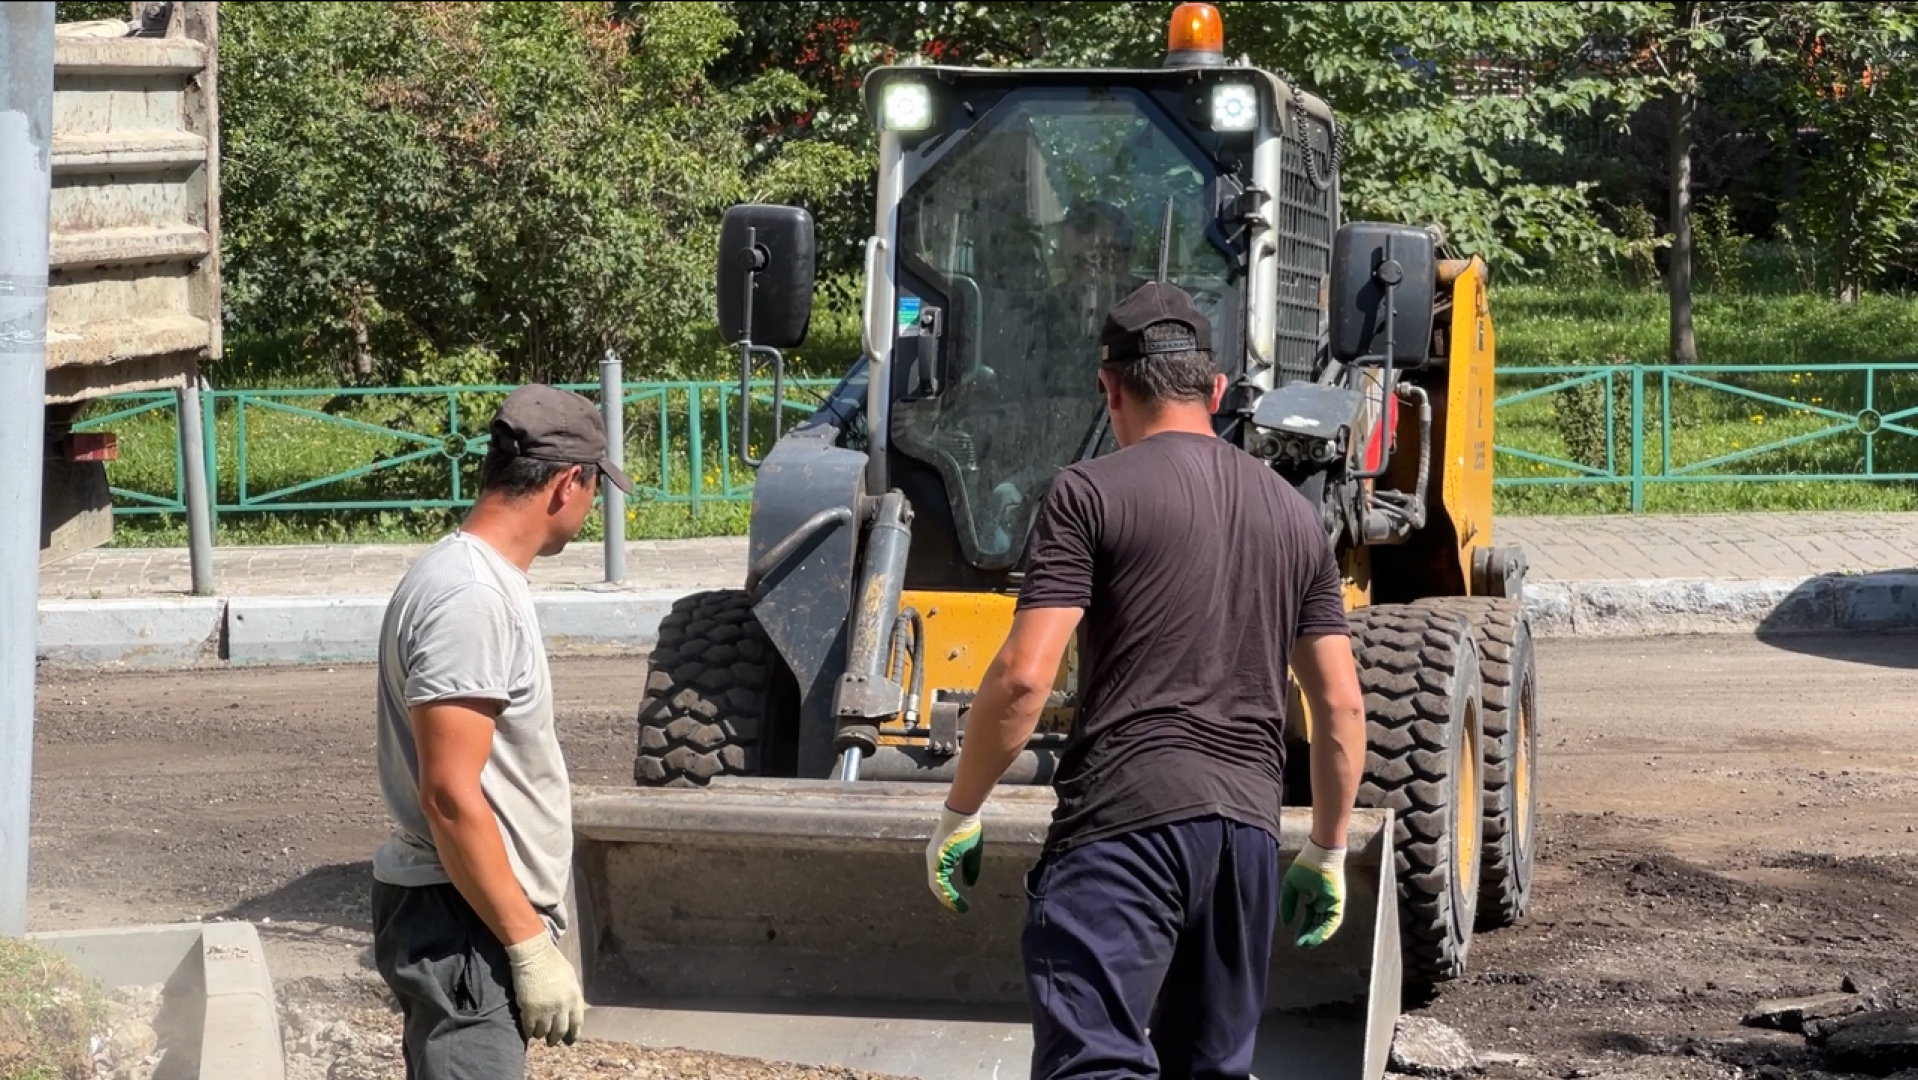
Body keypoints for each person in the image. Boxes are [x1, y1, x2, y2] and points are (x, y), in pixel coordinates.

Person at [922, 281, 1369, 1079]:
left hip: (1122, 830)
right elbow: (1338, 703)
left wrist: (960, 808)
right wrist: (1327, 850)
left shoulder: (1088, 494)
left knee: (1095, 1066)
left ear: (1109, 388)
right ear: (1219, 390)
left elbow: (1025, 679)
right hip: (1245, 840)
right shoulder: (1295, 518)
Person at [369, 383, 634, 1078]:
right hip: (464, 923)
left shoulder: (469, 579)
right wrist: (524, 945)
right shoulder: (472, 598)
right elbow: (450, 795)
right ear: (568, 483)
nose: (590, 505)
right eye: (594, 488)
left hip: (464, 914)